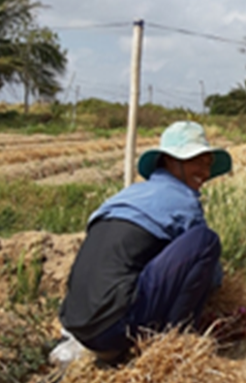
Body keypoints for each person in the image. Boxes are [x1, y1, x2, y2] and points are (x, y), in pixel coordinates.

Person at [55, 120, 232, 364]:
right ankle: (172, 344)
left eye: (207, 163)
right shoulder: (185, 202)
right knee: (206, 241)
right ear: (171, 161)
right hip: (114, 328)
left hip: (77, 322)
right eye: (196, 161)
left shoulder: (128, 195)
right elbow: (212, 277)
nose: (205, 171)